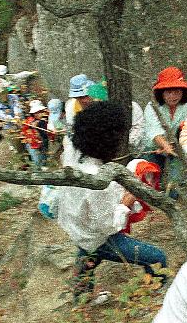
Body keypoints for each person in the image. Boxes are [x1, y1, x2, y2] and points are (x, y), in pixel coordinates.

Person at [57, 101, 167, 302]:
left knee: (87, 258)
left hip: (77, 226)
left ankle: (81, 299)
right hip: (99, 236)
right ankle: (152, 298)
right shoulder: (99, 181)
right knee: (159, 258)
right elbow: (109, 226)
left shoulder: (73, 152)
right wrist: (126, 202)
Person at [143, 67, 187, 192]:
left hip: (180, 147)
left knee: (175, 181)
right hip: (154, 148)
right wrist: (165, 146)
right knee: (150, 177)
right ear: (161, 93)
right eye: (168, 92)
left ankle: (172, 202)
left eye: (177, 91)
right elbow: (154, 131)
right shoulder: (152, 107)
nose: (173, 96)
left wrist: (176, 147)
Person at [21, 100, 48, 169]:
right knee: (37, 160)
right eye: (36, 113)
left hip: (41, 142)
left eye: (41, 112)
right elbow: (24, 129)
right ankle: (37, 172)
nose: (39, 114)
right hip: (32, 144)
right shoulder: (29, 121)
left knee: (43, 159)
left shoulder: (43, 120)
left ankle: (43, 170)